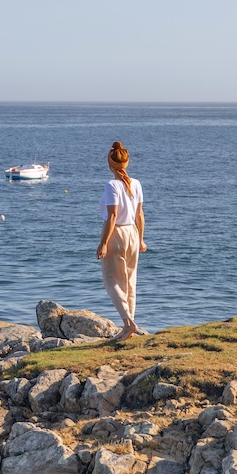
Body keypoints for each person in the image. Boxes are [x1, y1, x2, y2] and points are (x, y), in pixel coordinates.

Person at [96, 141, 147, 340]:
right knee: (130, 281)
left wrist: (103, 243)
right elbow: (140, 214)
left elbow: (112, 217)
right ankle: (129, 327)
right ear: (127, 163)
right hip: (133, 233)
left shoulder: (112, 185)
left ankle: (127, 322)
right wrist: (141, 240)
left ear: (110, 164)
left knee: (111, 280)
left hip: (116, 233)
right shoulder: (136, 183)